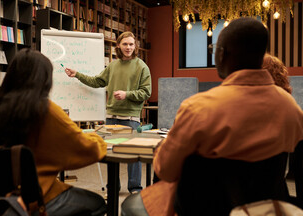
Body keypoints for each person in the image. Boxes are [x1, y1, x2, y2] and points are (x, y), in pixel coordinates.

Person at [121, 17, 303, 215]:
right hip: (265, 209)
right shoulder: (291, 110)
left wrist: (162, 150)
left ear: (222, 54)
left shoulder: (198, 108)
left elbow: (166, 171)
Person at [0, 48, 107, 216]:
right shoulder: (46, 110)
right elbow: (86, 148)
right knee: (97, 203)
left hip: (0, 195)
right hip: (36, 196)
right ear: (44, 79)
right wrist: (98, 138)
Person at [65, 31, 152, 193]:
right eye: (125, 44)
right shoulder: (112, 66)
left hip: (131, 118)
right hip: (111, 118)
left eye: (131, 44)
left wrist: (127, 94)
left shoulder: (142, 67)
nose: (128, 47)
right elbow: (96, 81)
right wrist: (77, 74)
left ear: (135, 46)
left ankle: (135, 187)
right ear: (118, 45)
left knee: (133, 154)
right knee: (111, 154)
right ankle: (113, 186)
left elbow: (146, 92)